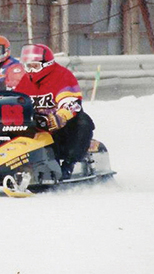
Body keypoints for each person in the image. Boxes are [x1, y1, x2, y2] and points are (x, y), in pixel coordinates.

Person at [13, 44, 95, 180]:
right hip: (35, 126)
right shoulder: (26, 80)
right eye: (27, 66)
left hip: (59, 127)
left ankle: (69, 164)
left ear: (47, 65)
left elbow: (70, 101)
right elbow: (15, 101)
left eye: (35, 66)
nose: (31, 71)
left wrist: (61, 116)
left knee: (83, 121)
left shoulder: (62, 76)